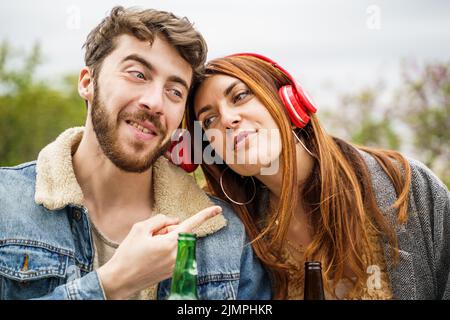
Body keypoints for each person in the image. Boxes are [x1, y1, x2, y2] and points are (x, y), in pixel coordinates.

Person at [0, 8, 271, 300]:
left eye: (175, 92)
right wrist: (111, 284)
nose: (155, 102)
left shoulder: (228, 237)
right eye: (138, 74)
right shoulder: (6, 204)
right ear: (88, 82)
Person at [186, 53, 450, 300]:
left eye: (240, 96)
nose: (227, 119)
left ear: (289, 101)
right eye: (208, 120)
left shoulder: (406, 185)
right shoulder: (233, 232)